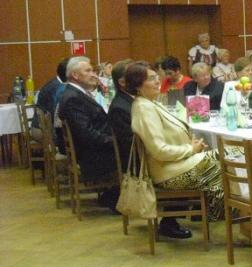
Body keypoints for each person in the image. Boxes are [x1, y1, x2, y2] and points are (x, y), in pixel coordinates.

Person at [128, 63, 224, 222]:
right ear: (138, 85)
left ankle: (214, 213)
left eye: (157, 77)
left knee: (229, 157)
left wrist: (190, 143)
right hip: (169, 173)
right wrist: (190, 149)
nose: (157, 81)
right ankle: (226, 215)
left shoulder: (150, 103)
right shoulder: (144, 108)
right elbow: (159, 150)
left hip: (176, 165)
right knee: (229, 157)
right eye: (151, 79)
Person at [108, 60, 192, 239]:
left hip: (154, 156)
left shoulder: (140, 101)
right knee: (213, 164)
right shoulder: (124, 106)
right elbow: (134, 143)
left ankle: (203, 210)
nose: (157, 81)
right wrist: (183, 149)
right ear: (128, 82)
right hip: (143, 163)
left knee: (204, 160)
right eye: (150, 78)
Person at [57, 56, 118, 207]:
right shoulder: (73, 98)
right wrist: (114, 142)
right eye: (88, 71)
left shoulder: (77, 93)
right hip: (92, 155)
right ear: (75, 75)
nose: (94, 74)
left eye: (93, 71)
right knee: (134, 151)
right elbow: (86, 134)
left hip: (93, 149)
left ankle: (112, 194)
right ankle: (116, 197)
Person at [31, 57, 69, 141]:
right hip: (43, 131)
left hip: (45, 127)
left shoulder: (55, 83)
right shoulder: (58, 88)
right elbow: (58, 117)